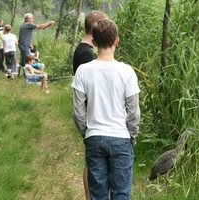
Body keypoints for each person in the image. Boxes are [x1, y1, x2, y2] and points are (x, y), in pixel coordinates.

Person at [71, 19, 140, 199]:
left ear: (93, 42)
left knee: (97, 194)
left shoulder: (83, 71)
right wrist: (131, 136)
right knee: (121, 194)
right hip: (121, 138)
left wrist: (87, 133)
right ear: (116, 40)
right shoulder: (127, 72)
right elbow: (134, 111)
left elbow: (78, 111)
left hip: (94, 136)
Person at [72, 11, 108, 200]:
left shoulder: (85, 49)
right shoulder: (86, 54)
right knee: (91, 163)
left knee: (91, 160)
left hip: (90, 114)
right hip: (90, 115)